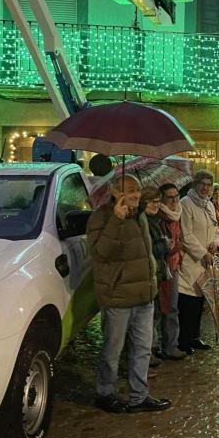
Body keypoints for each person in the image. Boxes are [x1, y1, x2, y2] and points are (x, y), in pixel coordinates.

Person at [88, 175, 171, 413]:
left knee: (143, 349)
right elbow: (101, 253)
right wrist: (117, 220)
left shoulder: (141, 215)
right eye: (129, 190)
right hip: (118, 297)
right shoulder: (101, 217)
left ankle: (139, 396)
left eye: (137, 190)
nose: (135, 194)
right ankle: (104, 393)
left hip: (144, 296)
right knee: (112, 350)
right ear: (115, 192)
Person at [178, 170, 218, 355]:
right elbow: (186, 235)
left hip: (205, 261)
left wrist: (214, 244)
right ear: (195, 184)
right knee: (188, 303)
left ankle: (195, 336)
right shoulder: (186, 204)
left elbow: (214, 228)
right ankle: (183, 340)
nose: (205, 188)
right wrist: (202, 253)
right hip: (191, 261)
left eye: (209, 185)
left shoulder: (208, 205)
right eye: (202, 184)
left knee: (200, 301)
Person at [140, 187, 169, 364]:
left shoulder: (157, 220)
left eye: (158, 201)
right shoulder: (143, 221)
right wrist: (165, 244)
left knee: (157, 311)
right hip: (149, 273)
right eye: (151, 201)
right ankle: (147, 351)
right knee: (149, 314)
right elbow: (148, 249)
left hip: (158, 271)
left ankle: (153, 346)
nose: (155, 205)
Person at [157, 182, 184, 361]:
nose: (174, 200)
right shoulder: (158, 218)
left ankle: (171, 346)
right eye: (170, 197)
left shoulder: (177, 215)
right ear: (162, 199)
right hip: (160, 268)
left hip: (173, 266)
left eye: (176, 196)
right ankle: (156, 347)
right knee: (157, 310)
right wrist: (168, 247)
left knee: (172, 307)